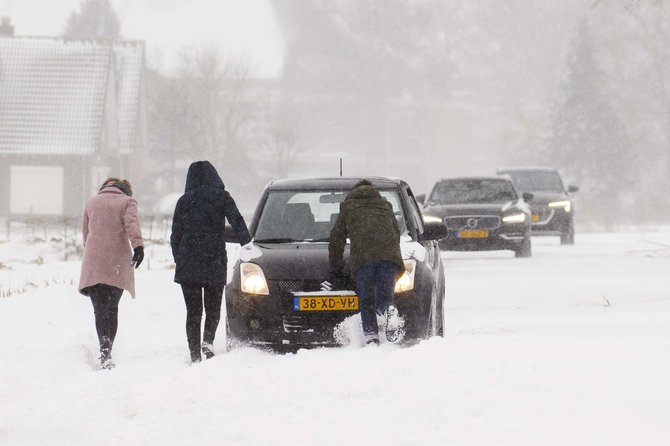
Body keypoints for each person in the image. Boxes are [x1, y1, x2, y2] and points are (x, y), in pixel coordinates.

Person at [170, 161, 252, 363]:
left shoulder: (183, 201)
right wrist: (246, 242)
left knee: (193, 310)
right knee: (213, 307)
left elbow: (175, 235)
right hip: (214, 258)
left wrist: (179, 259)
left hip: (189, 262)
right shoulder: (222, 197)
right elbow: (237, 220)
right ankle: (207, 341)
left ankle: (194, 351)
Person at [329, 180, 405, 345]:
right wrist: (388, 252)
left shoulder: (348, 207)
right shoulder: (385, 205)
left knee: (367, 297)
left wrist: (336, 268)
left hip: (364, 259)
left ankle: (371, 336)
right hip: (390, 257)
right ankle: (386, 310)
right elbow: (396, 233)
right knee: (385, 293)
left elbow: (337, 239)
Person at [79, 177, 144, 370]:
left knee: (100, 310)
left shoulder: (91, 202)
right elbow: (132, 224)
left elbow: (85, 234)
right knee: (112, 308)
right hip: (116, 263)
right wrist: (138, 246)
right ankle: (108, 352)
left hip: (94, 262)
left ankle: (104, 350)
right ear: (125, 190)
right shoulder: (127, 202)